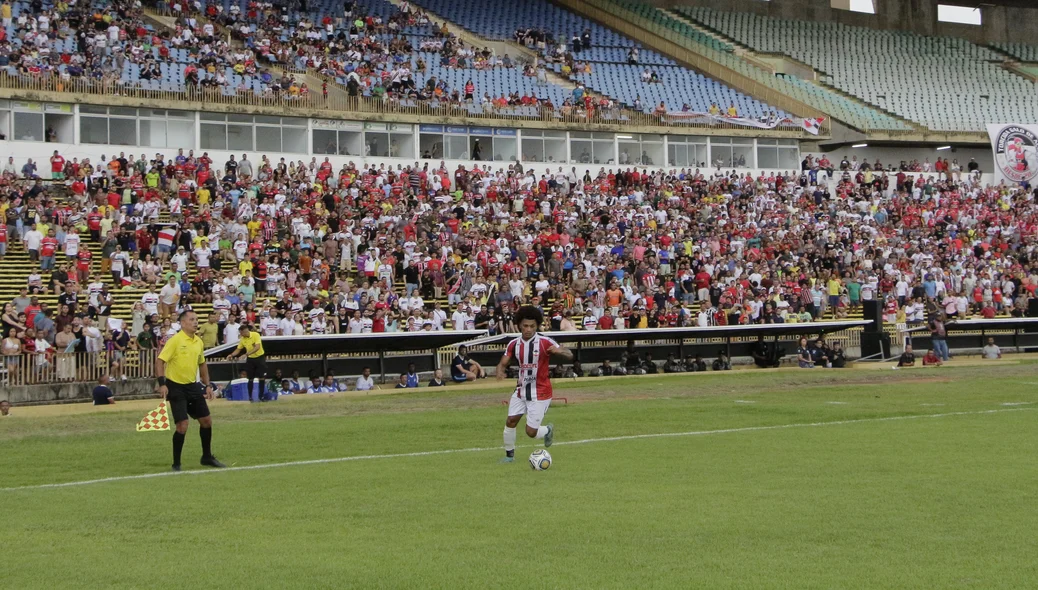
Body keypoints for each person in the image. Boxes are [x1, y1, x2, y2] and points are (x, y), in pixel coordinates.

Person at [496, 305, 574, 463]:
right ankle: (509, 456)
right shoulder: (513, 344)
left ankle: (547, 430)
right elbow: (503, 362)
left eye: (532, 326)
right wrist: (500, 370)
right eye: (525, 326)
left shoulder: (545, 342)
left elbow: (569, 354)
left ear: (537, 326)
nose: (528, 329)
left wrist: (561, 351)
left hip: (540, 392)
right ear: (519, 325)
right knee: (510, 421)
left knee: (530, 432)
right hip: (521, 390)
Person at [156, 310, 226, 471]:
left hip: (192, 386)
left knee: (206, 421)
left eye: (197, 319)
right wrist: (162, 383)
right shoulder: (175, 341)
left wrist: (207, 385)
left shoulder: (198, 342)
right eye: (192, 319)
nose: (195, 322)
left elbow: (202, 363)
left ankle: (206, 457)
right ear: (182, 323)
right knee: (182, 425)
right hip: (176, 386)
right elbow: (160, 361)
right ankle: (176, 463)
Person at [225, 324, 267, 402]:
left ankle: (261, 397)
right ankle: (250, 397)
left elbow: (257, 347)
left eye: (241, 333)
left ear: (245, 331)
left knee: (261, 377)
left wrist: (246, 354)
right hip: (250, 360)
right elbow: (238, 349)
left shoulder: (255, 335)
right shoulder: (242, 339)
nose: (240, 334)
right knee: (250, 378)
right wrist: (231, 355)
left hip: (260, 358)